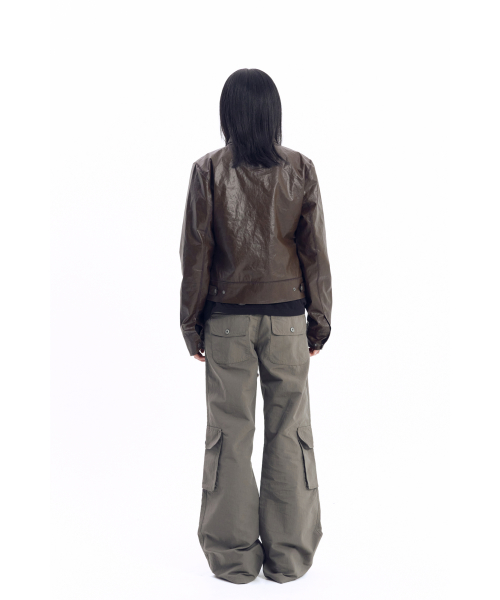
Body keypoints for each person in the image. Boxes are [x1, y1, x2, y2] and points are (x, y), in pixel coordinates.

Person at [179, 68, 332, 584]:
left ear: (228, 114)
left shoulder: (207, 170)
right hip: (288, 323)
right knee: (289, 432)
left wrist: (192, 325)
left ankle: (233, 559)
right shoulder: (301, 169)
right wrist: (319, 321)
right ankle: (289, 557)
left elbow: (195, 254)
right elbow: (315, 252)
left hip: (225, 322)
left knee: (229, 434)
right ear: (273, 113)